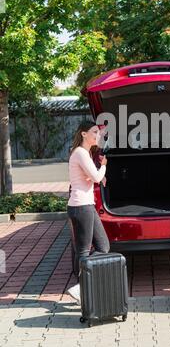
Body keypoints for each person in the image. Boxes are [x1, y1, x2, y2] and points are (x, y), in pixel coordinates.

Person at [67, 121, 110, 304]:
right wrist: (104, 166)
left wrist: (97, 173)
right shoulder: (80, 153)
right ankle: (81, 288)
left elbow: (89, 177)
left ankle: (81, 287)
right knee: (83, 251)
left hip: (86, 205)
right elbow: (96, 177)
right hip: (80, 206)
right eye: (94, 132)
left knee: (103, 247)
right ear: (84, 134)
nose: (97, 135)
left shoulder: (83, 154)